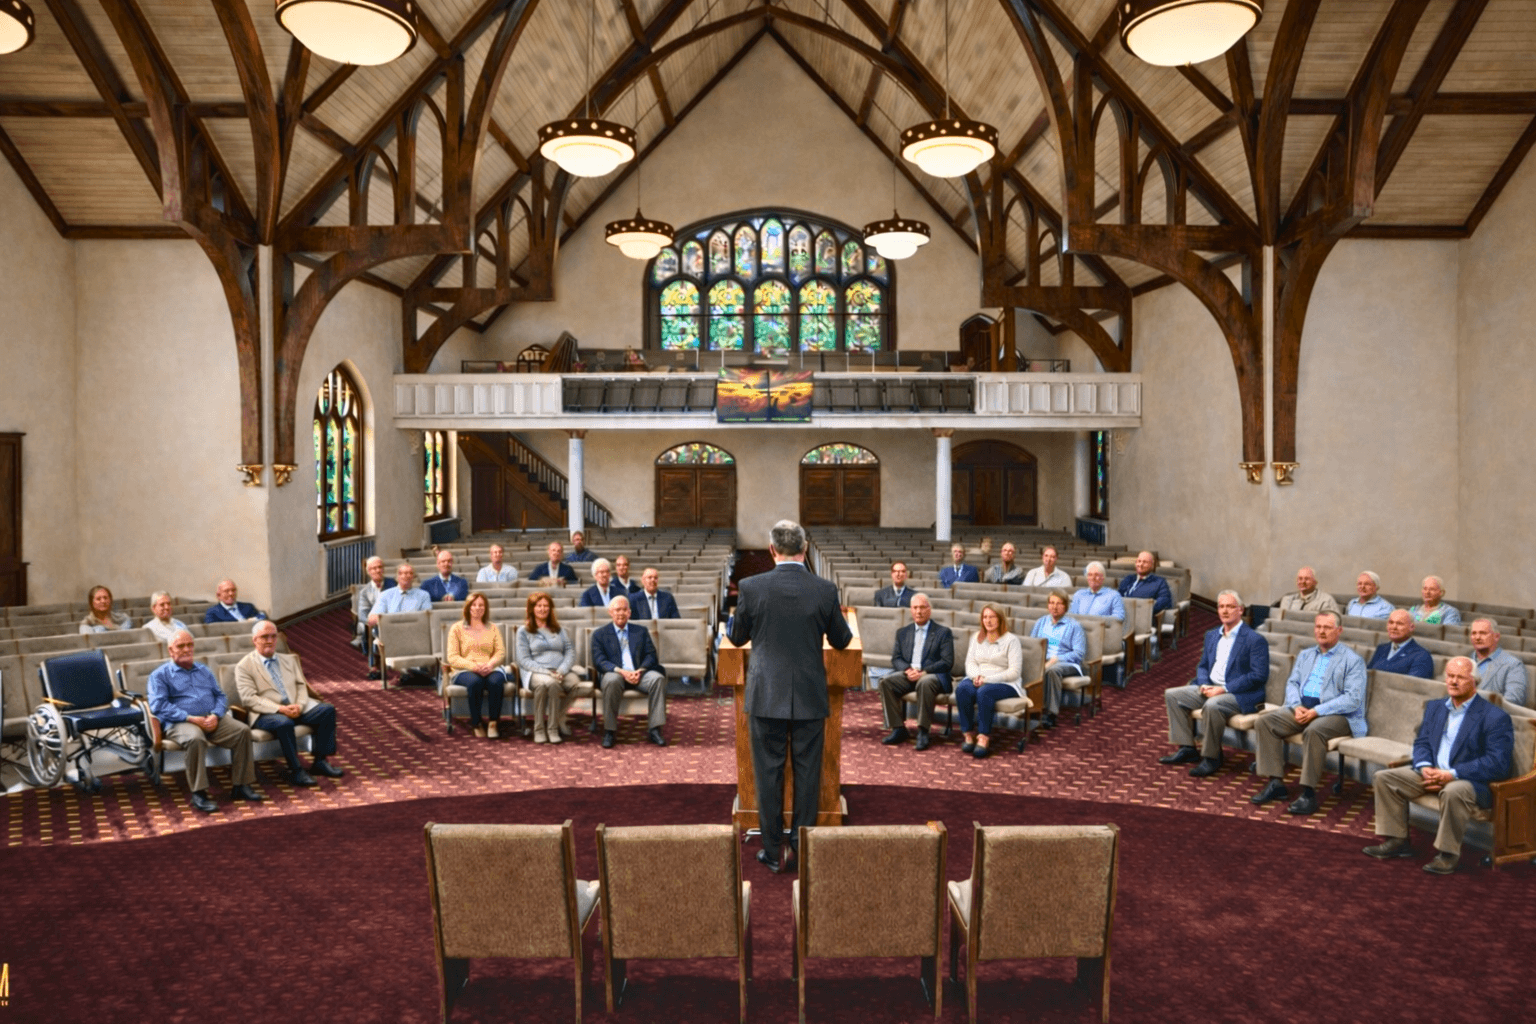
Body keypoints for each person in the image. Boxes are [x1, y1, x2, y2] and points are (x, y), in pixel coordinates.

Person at [727, 519, 852, 874]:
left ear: (772, 549)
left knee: (767, 774)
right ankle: (800, 846)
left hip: (766, 693)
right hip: (810, 695)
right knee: (808, 773)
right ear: (805, 548)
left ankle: (770, 850)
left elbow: (736, 639)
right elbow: (842, 640)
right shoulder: (824, 590)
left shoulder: (751, 587)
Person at [1363, 657, 1514, 875]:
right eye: (1450, 676)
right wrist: (1424, 767)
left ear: (1475, 681)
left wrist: (1451, 774)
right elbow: (1422, 742)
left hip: (1468, 781)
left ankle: (1448, 854)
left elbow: (1498, 763)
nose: (1453, 682)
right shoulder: (1436, 707)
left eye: (1460, 677)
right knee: (1384, 778)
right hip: (1432, 772)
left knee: (1453, 791)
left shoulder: (1494, 717)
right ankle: (1398, 841)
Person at [1251, 611, 1368, 815]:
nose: (1321, 631)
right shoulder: (1306, 655)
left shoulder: (1353, 660)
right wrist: (1296, 705)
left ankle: (1308, 793)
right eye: (1318, 627)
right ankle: (1276, 783)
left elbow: (1352, 699)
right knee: (1265, 722)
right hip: (1303, 708)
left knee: (1314, 731)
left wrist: (1316, 711)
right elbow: (1293, 683)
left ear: (1339, 631)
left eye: (1327, 627)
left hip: (1339, 715)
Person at [147, 630, 264, 814]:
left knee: (242, 731)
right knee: (195, 739)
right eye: (181, 646)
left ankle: (241, 785)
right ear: (170, 650)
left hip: (211, 719)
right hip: (181, 722)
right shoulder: (159, 675)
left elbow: (220, 695)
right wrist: (190, 718)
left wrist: (216, 715)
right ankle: (199, 793)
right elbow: (158, 705)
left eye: (189, 645)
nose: (186, 649)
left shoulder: (203, 670)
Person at [1160, 590, 1269, 777]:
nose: (1224, 611)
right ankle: (1187, 748)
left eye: (1230, 606)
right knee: (1173, 695)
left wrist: (1224, 689)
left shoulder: (1254, 639)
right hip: (1211, 687)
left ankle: (1212, 757)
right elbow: (1202, 666)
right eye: (1221, 606)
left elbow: (1258, 675)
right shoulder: (1212, 635)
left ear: (1240, 610)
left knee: (1213, 705)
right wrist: (1203, 685)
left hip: (1239, 694)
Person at [235, 620, 344, 785]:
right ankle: (296, 770)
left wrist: (299, 706)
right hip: (266, 714)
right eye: (264, 637)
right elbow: (249, 698)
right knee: (284, 722)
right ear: (254, 640)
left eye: (273, 636)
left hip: (295, 708)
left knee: (327, 710)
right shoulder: (244, 666)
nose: (270, 641)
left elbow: (301, 687)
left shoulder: (289, 660)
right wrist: (280, 709)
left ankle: (320, 761)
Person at [878, 593, 954, 750]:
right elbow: (896, 659)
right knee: (886, 682)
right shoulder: (903, 632)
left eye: (922, 607)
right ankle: (898, 728)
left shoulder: (943, 632)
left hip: (932, 676)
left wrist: (923, 672)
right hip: (909, 674)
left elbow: (947, 662)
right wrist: (907, 670)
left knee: (925, 682)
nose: (918, 611)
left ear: (929, 610)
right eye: (915, 608)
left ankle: (923, 731)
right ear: (911, 610)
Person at [591, 595, 668, 749]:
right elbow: (599, 661)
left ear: (629, 613)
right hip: (616, 673)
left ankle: (654, 729)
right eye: (617, 609)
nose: (621, 613)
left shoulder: (640, 631)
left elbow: (651, 655)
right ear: (610, 612)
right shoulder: (599, 634)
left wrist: (640, 670)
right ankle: (609, 731)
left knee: (658, 679)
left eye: (624, 609)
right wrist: (622, 672)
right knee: (611, 680)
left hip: (639, 674)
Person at [952, 604, 1024, 760]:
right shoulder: (976, 638)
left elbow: (1014, 672)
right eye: (985, 617)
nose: (988, 620)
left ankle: (983, 736)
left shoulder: (1012, 640)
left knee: (984, 692)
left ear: (1000, 619)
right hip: (978, 678)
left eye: (992, 617)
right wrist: (976, 676)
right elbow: (969, 663)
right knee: (962, 689)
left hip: (1005, 683)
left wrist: (987, 679)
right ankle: (968, 734)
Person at [516, 591, 582, 744]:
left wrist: (561, 670)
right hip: (536, 672)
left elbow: (570, 652)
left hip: (559, 671)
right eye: (539, 605)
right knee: (549, 684)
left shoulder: (559, 630)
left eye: (546, 606)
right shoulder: (523, 631)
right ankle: (541, 729)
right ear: (532, 608)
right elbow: (524, 660)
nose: (543, 609)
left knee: (576, 684)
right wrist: (547, 672)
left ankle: (557, 718)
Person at [446, 592, 508, 739]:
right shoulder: (457, 628)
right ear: (468, 607)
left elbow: (500, 652)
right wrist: (473, 666)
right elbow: (453, 657)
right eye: (474, 605)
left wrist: (490, 664)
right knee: (475, 682)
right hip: (465, 670)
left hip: (490, 666)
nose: (477, 608)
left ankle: (493, 722)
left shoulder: (492, 628)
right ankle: (476, 722)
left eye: (481, 605)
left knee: (496, 681)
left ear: (485, 608)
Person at [1029, 590, 1086, 729]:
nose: (1054, 607)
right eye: (1052, 603)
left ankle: (1051, 713)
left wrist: (1056, 659)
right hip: (1043, 659)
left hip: (1067, 663)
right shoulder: (1041, 622)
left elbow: (1079, 653)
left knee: (1052, 670)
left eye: (1059, 603)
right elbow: (1032, 644)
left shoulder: (1074, 626)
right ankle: (1031, 709)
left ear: (1065, 606)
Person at [1469, 618, 1527, 706]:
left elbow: (1514, 700)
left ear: (1496, 637)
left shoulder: (1513, 664)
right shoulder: (1463, 660)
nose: (1477, 637)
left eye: (1483, 633)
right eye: (1474, 633)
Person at [1367, 610, 1435, 679]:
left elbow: (1413, 687)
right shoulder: (1381, 649)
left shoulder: (1422, 656)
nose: (1394, 627)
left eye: (1399, 624)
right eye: (1391, 622)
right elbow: (1367, 675)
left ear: (1412, 627)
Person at [352, 556, 395, 652]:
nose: (378, 570)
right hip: (377, 624)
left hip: (395, 620)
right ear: (368, 572)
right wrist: (376, 619)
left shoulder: (394, 584)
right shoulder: (364, 592)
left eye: (380, 567)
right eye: (374, 568)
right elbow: (363, 615)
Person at [1117, 551, 1172, 618]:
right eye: (1139, 561)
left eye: (1145, 562)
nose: (1141, 564)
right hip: (1124, 616)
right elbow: (1118, 597)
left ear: (1152, 565)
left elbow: (1164, 601)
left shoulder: (1160, 582)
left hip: (1145, 618)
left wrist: (1142, 610)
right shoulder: (1128, 579)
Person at [1276, 566, 1340, 616]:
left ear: (1315, 582)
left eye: (1307, 579)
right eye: (1300, 579)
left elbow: (1333, 626)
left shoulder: (1326, 601)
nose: (1303, 582)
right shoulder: (1287, 600)